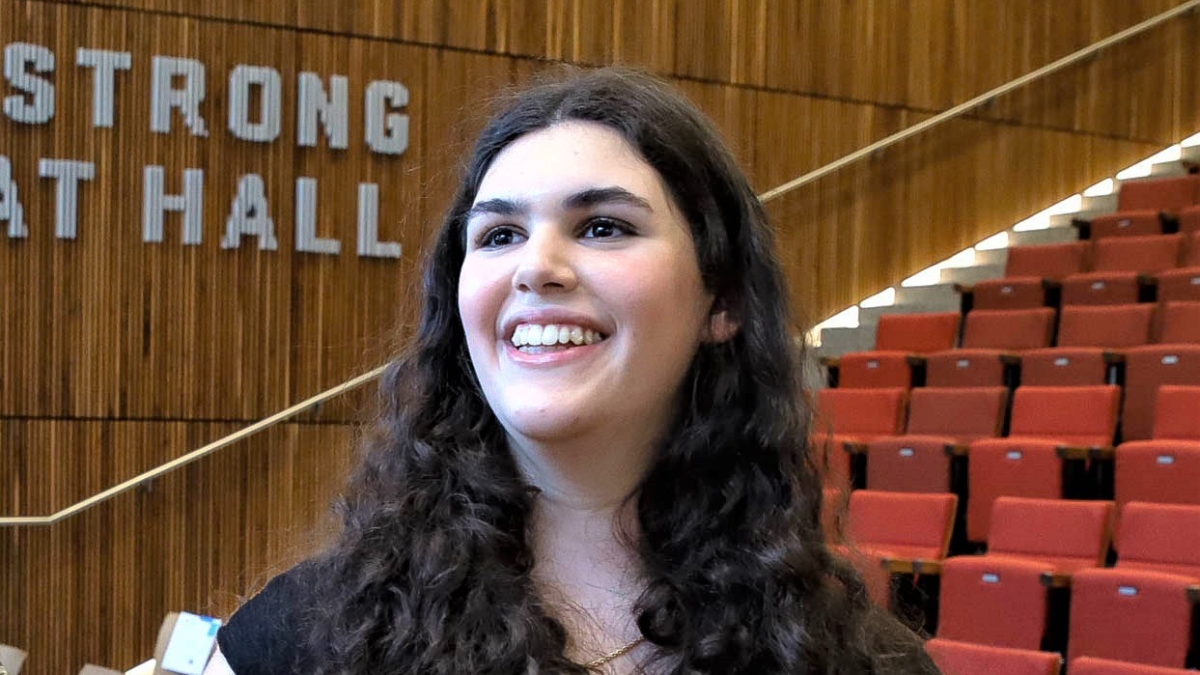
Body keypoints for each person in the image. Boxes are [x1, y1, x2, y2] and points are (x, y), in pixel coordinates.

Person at [206, 66, 941, 675]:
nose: (536, 267)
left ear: (725, 300)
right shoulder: (295, 640)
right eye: (498, 235)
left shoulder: (860, 661)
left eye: (602, 227)